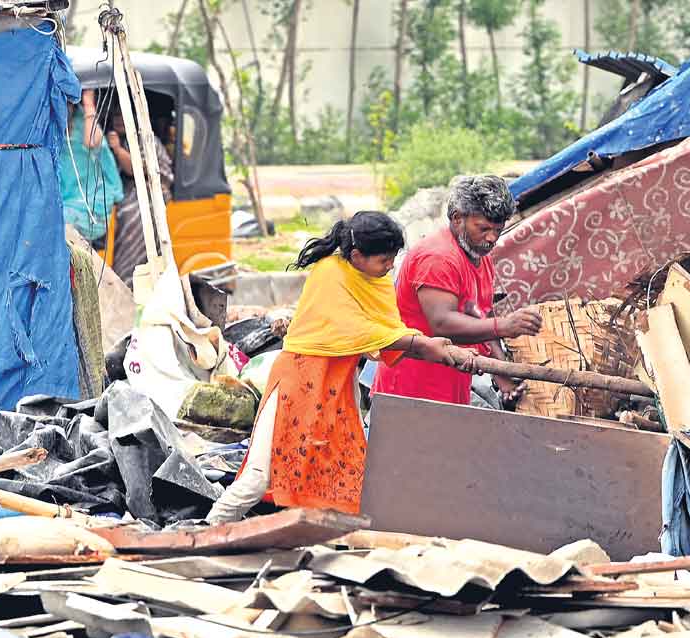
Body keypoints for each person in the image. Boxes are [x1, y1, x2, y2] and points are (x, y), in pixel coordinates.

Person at [205, 212, 472, 524]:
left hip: (337, 384)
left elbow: (387, 332)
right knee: (260, 473)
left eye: (392, 259)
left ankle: (328, 541)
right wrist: (422, 344)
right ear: (357, 256)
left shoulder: (377, 281)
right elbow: (355, 330)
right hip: (299, 380)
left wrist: (428, 346)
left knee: (340, 471)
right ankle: (207, 529)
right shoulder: (329, 274)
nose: (389, 267)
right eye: (384, 260)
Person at [373, 175, 543, 405]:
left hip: (450, 388)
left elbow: (482, 315)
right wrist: (505, 326)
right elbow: (441, 322)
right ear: (457, 219)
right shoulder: (438, 257)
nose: (492, 238)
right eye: (483, 228)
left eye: (498, 229)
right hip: (410, 392)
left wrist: (501, 374)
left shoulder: (478, 255)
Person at [107, 108, 174, 287]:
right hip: (128, 189)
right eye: (115, 115)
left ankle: (127, 278)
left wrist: (117, 149)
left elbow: (137, 169)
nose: (119, 120)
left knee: (130, 216)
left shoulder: (144, 138)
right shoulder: (114, 139)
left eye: (122, 115)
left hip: (151, 189)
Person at [59, 90, 123, 247]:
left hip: (91, 205)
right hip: (65, 202)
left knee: (57, 222)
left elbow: (91, 141)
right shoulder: (56, 133)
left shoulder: (87, 127)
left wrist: (88, 104)